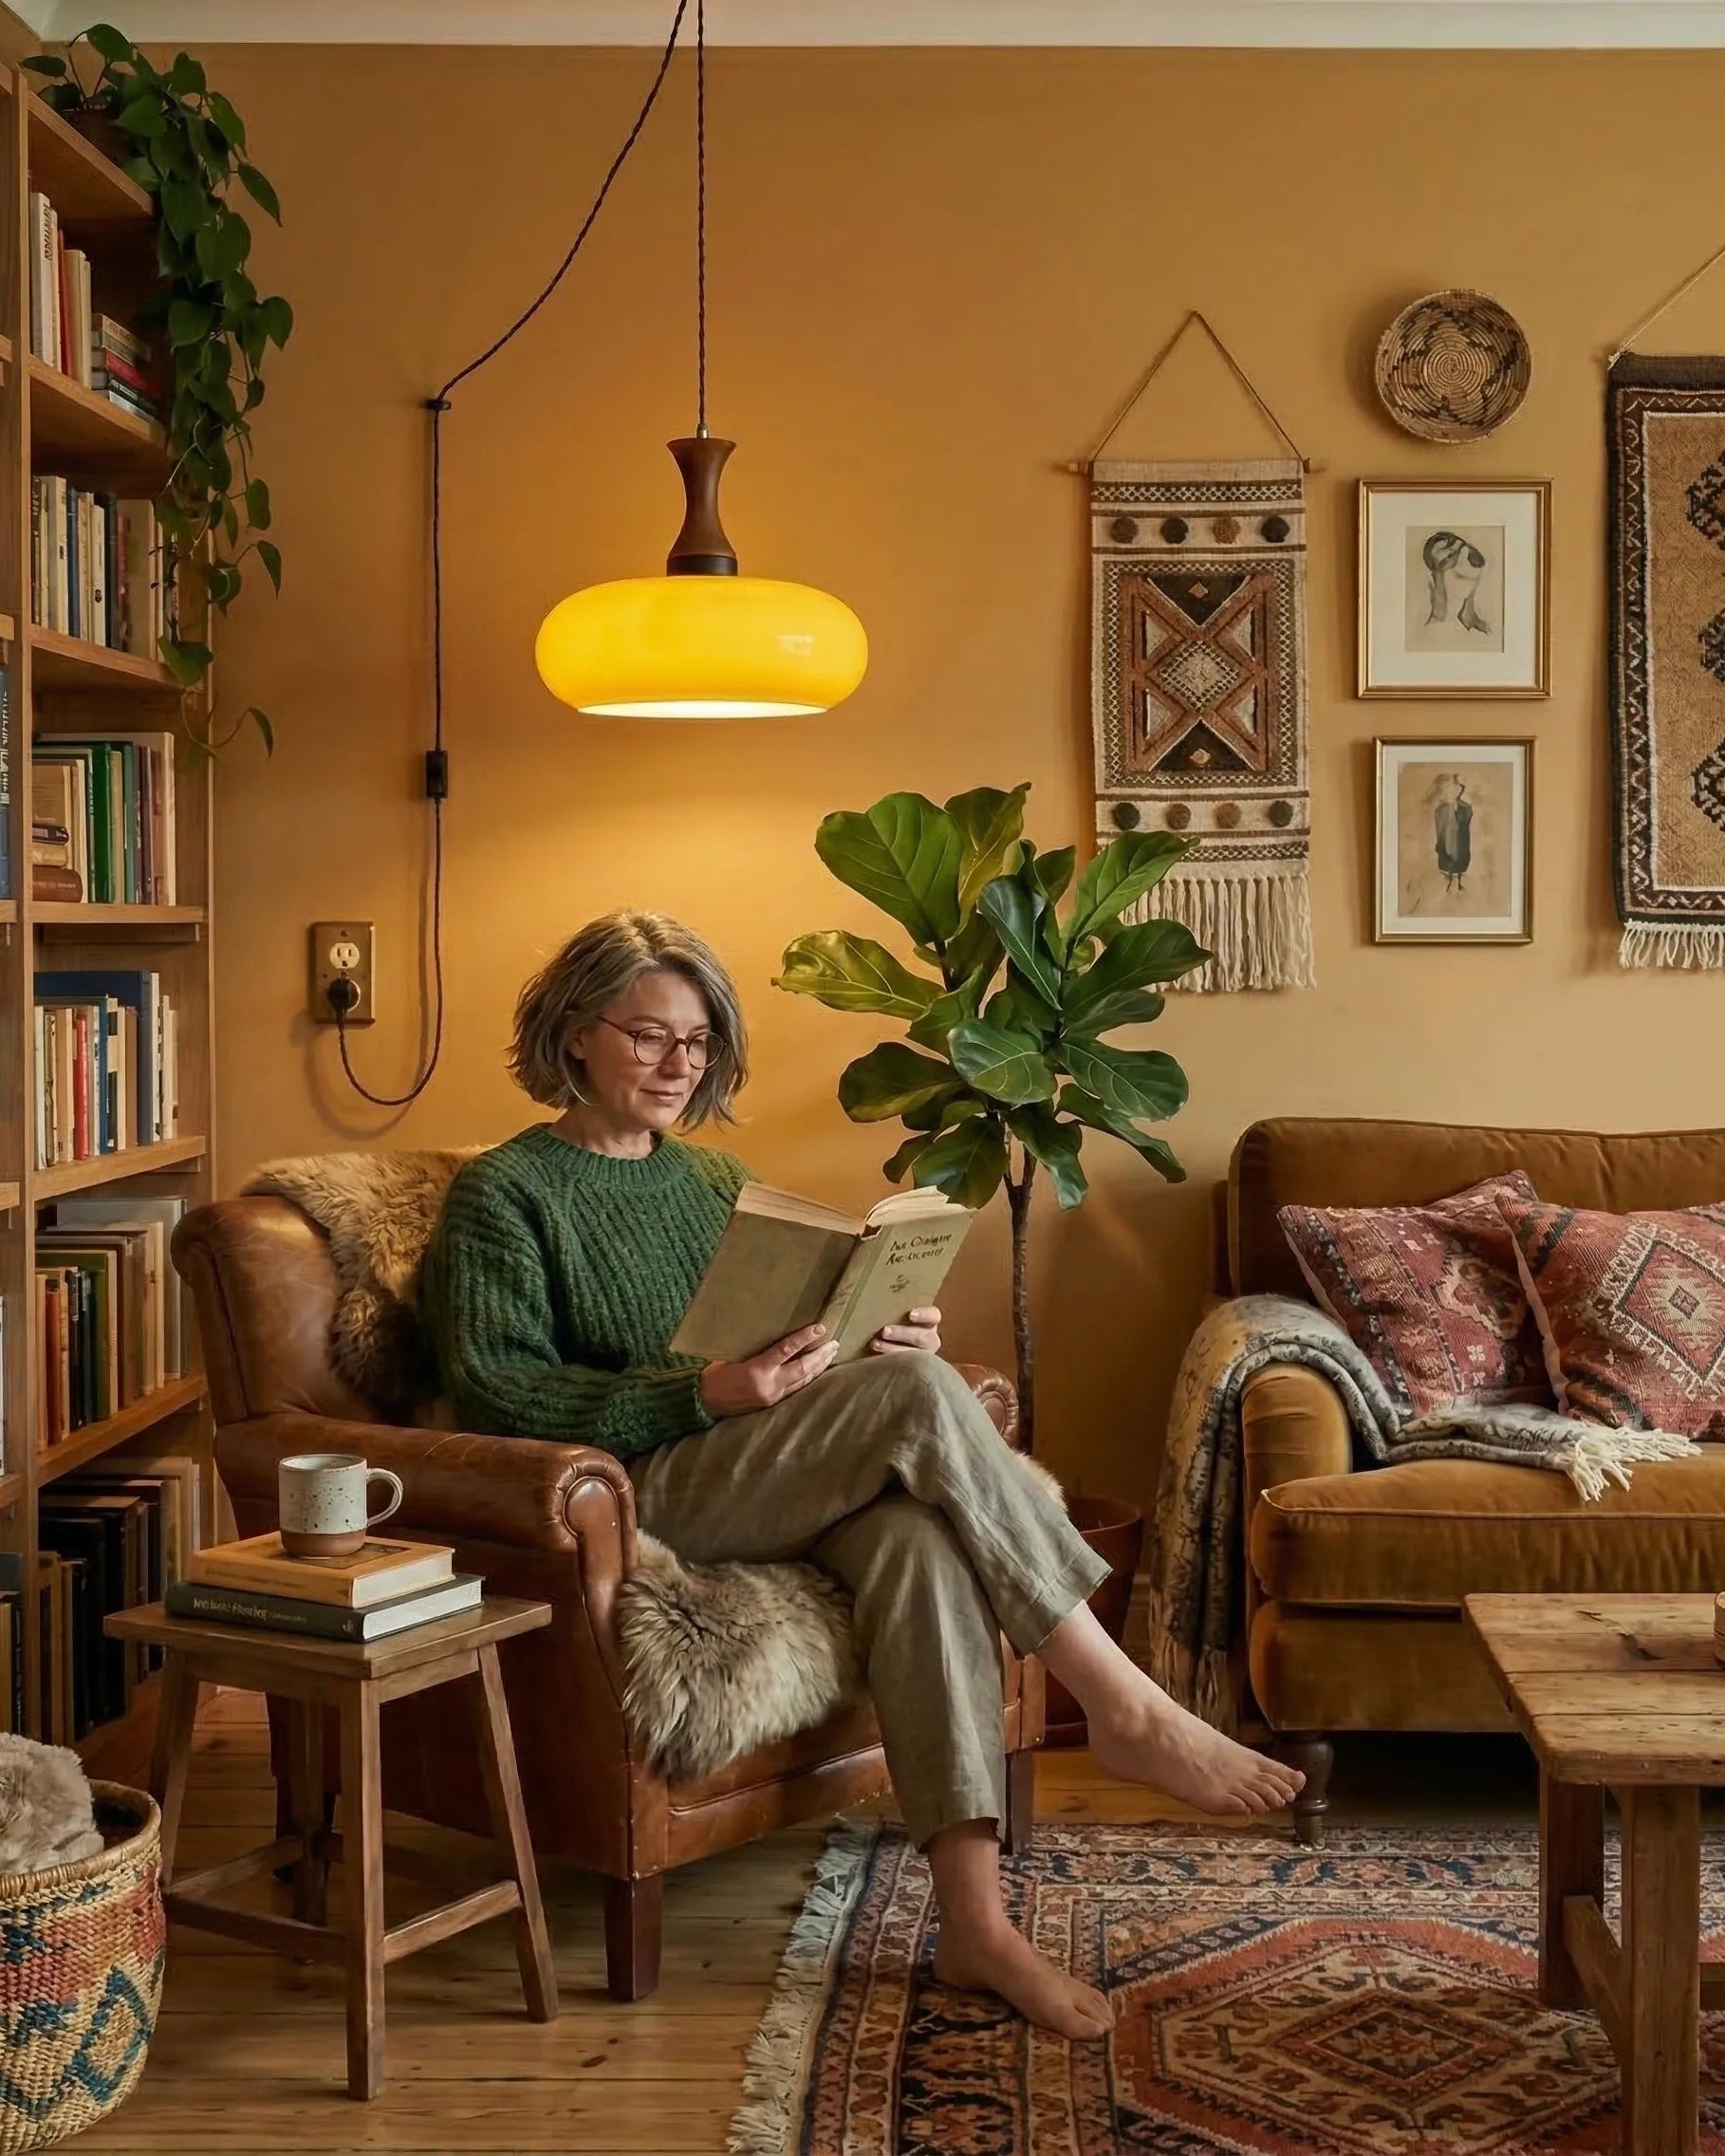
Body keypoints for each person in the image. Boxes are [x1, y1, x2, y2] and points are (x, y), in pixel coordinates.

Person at [420, 910, 1302, 2041]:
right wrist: (704, 1394)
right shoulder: (506, 1193)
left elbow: (777, 1339)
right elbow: (499, 1393)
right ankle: (1118, 1697)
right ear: (573, 1033)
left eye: (697, 1042)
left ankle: (977, 1924)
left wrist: (865, 1333)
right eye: (648, 1036)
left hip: (753, 1460)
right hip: (635, 1489)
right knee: (920, 1409)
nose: (677, 1065)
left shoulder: (712, 1181)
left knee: (918, 1536)